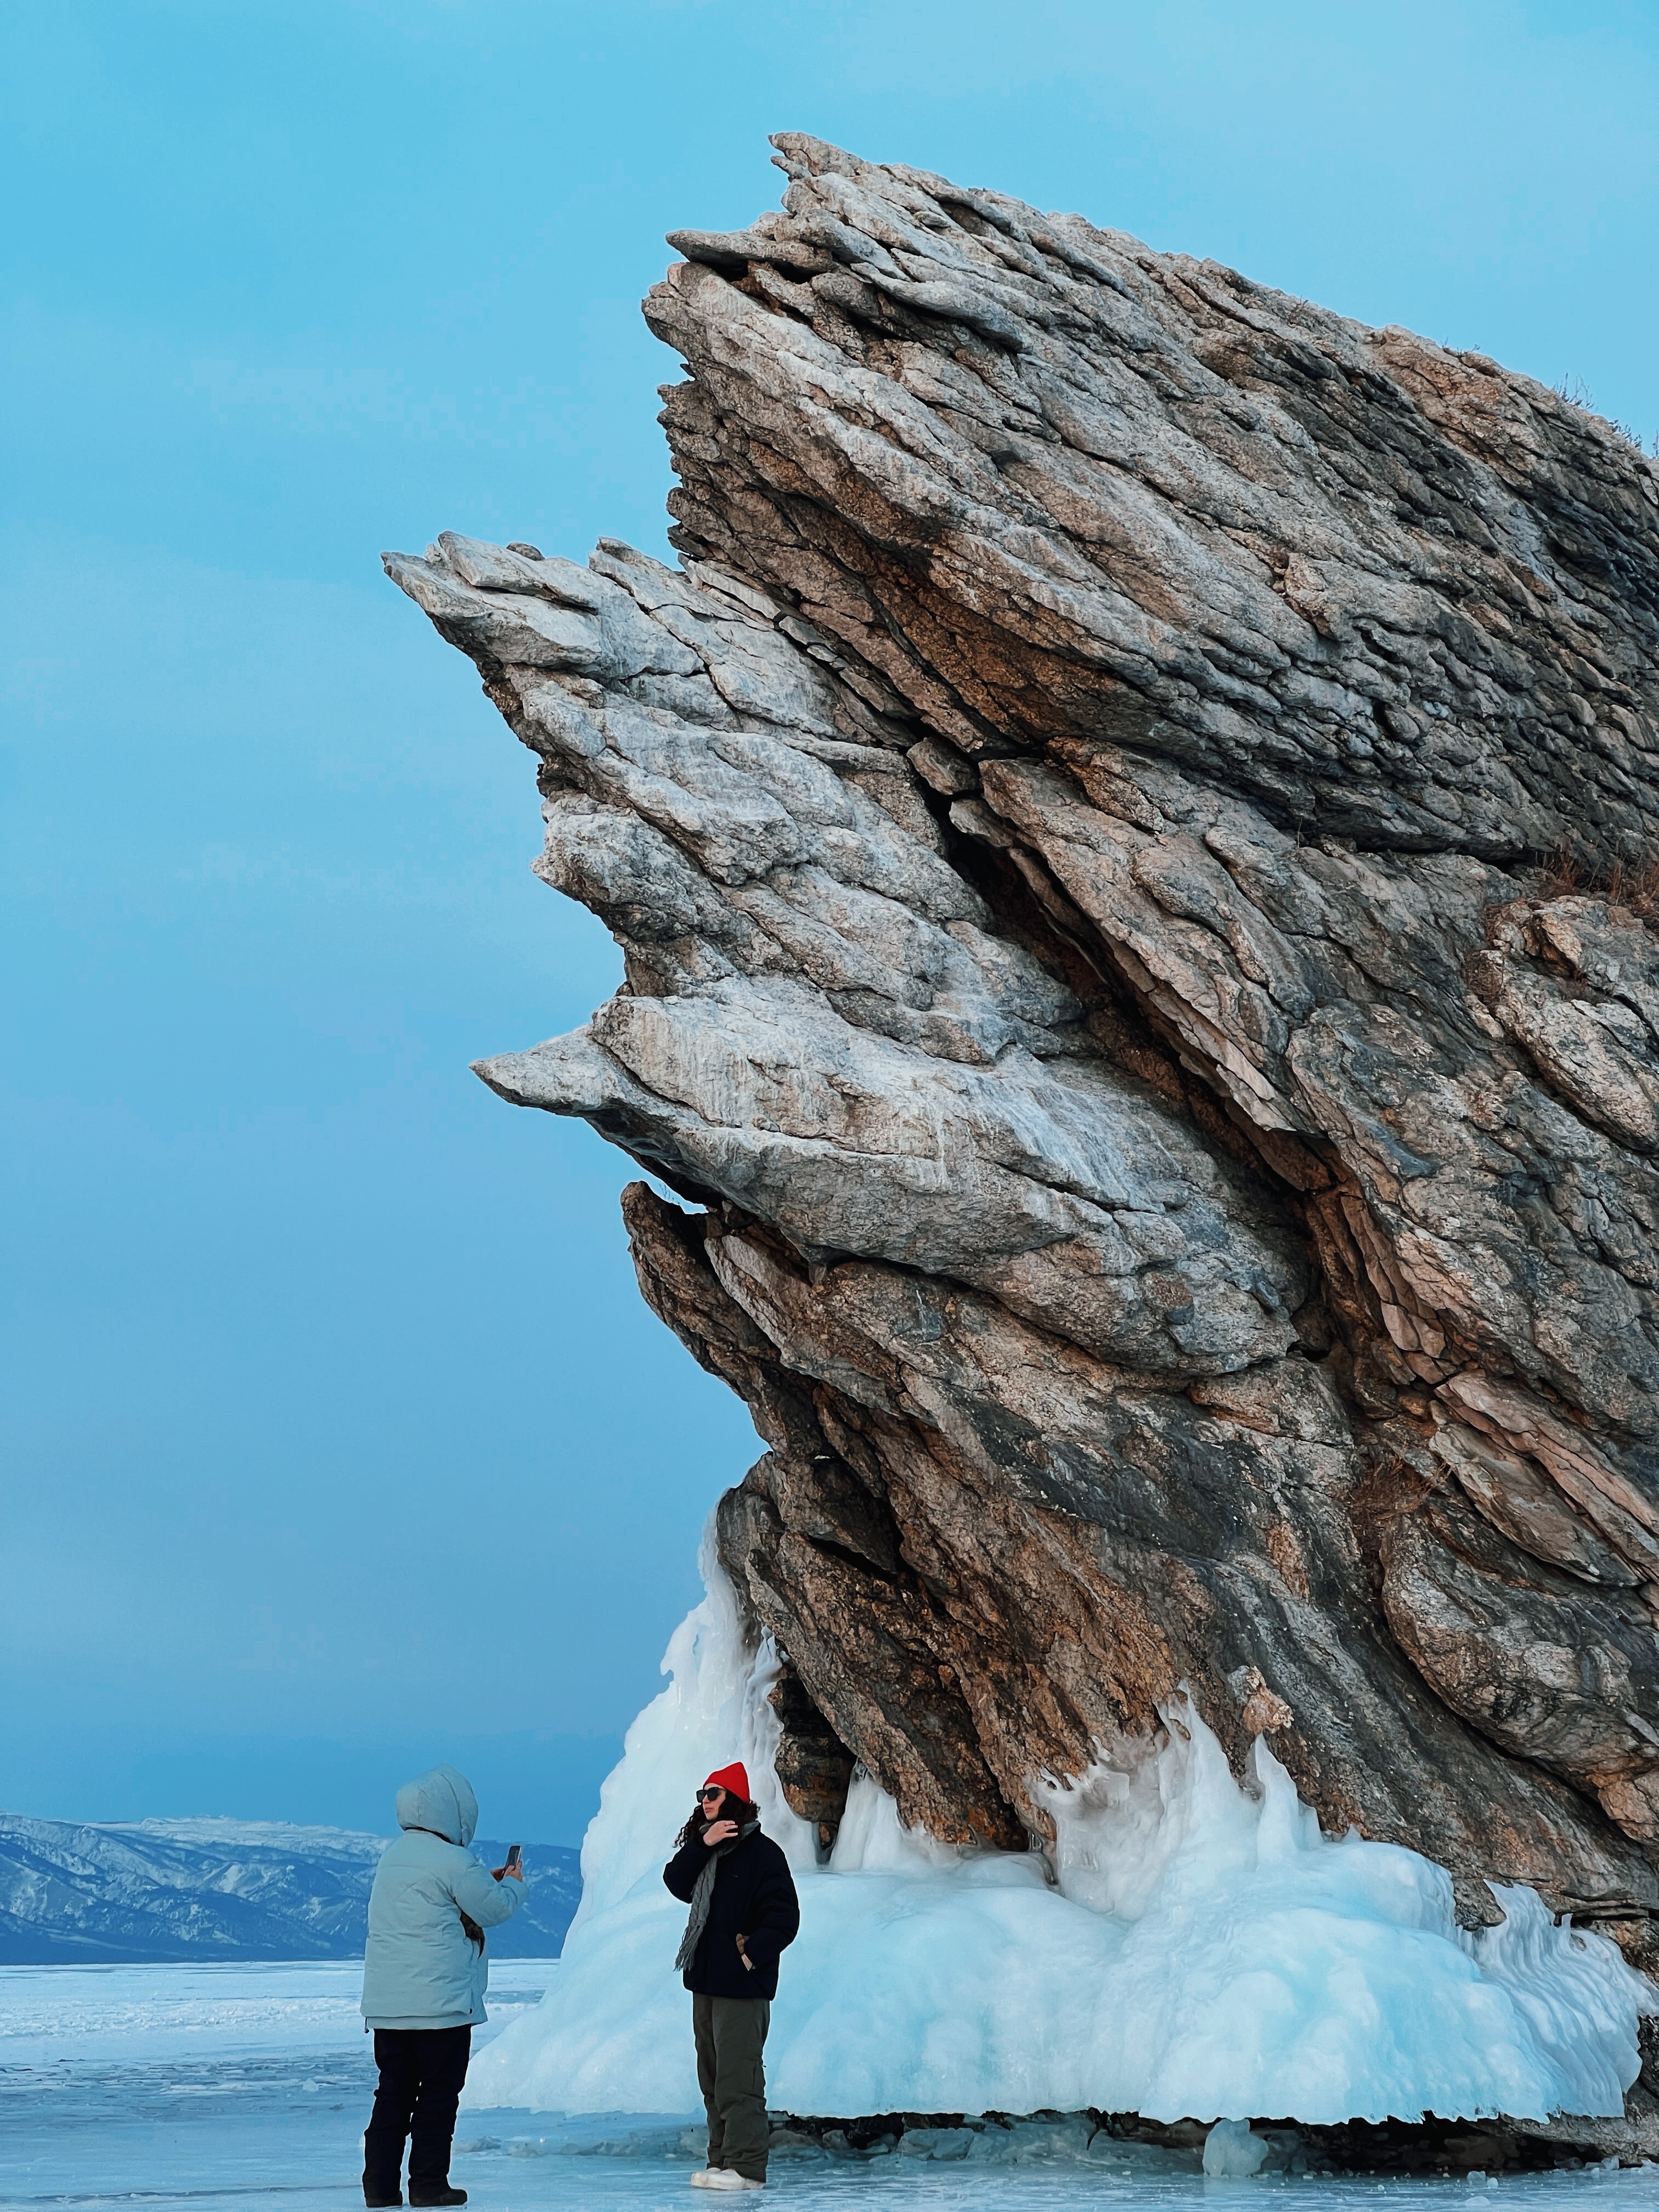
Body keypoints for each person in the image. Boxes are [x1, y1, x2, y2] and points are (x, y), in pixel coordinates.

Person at [359, 1764, 525, 2209]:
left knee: (392, 2093)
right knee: (437, 2094)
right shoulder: (455, 1860)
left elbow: (438, 1900)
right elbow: (492, 1910)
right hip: (440, 2007)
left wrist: (478, 1883)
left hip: (388, 2008)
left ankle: (379, 2187)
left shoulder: (392, 1857)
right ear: (455, 1813)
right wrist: (513, 1885)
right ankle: (429, 2184)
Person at [663, 1761, 800, 2193]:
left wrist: (750, 1955)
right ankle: (720, 2159)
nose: (705, 1801)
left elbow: (785, 1918)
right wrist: (702, 1845)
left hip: (742, 1986)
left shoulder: (763, 1854)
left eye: (714, 1793)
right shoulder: (710, 1853)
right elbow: (675, 1881)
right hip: (704, 1981)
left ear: (735, 1799)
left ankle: (746, 2169)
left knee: (739, 2079)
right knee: (712, 2079)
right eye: (702, 1794)